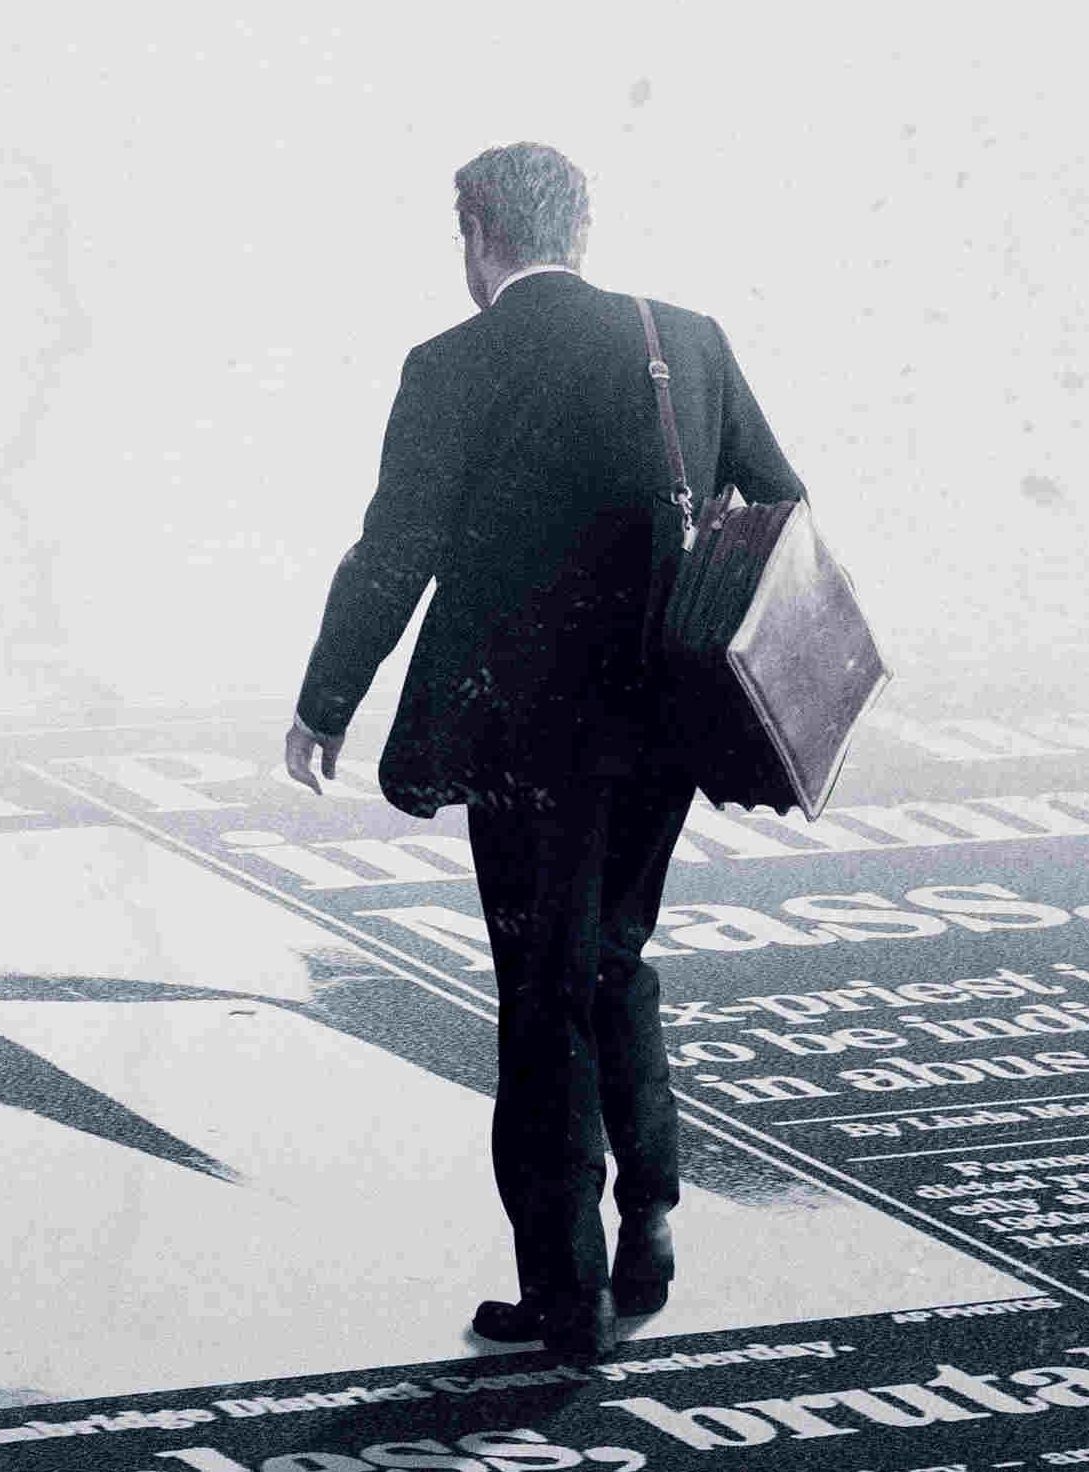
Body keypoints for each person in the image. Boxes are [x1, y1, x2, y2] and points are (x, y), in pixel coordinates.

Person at [286, 142, 807, 1360]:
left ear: (477, 234)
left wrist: (326, 700)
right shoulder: (688, 339)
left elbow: (394, 551)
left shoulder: (453, 364)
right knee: (616, 958)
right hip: (666, 721)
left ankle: (565, 1293)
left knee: (541, 992)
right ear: (581, 229)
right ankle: (652, 1222)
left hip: (524, 740)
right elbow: (781, 500)